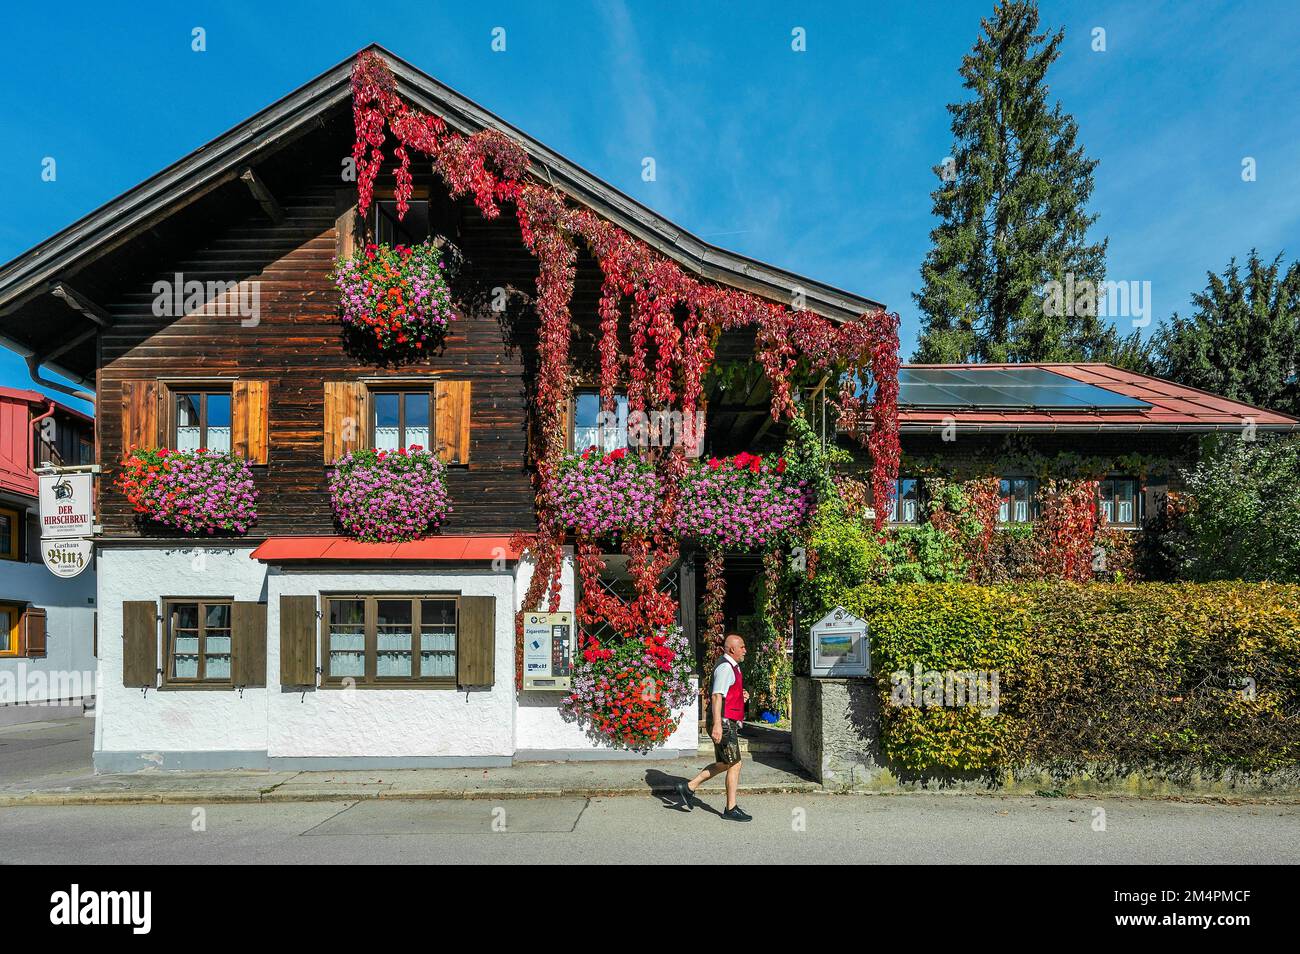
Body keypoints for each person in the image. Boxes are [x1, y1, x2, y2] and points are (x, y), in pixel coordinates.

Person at [676, 633, 751, 821]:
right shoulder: (726, 667)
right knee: (735, 763)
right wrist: (717, 725)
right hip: (723, 722)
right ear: (732, 649)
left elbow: (725, 694)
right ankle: (730, 808)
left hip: (725, 720)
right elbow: (717, 696)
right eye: (742, 646)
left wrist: (739, 696)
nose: (745, 650)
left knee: (724, 763)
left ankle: (688, 787)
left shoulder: (732, 666)